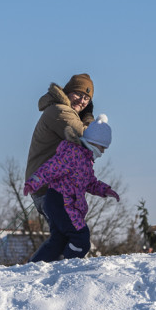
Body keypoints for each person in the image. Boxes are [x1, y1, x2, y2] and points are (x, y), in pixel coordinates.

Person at [24, 115, 120, 262]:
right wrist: (33, 182)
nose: (104, 151)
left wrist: (105, 190)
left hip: (61, 203)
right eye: (103, 147)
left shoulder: (85, 160)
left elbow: (90, 182)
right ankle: (68, 264)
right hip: (61, 202)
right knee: (81, 236)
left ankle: (35, 266)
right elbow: (51, 168)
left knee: (59, 240)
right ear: (94, 142)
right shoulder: (73, 154)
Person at [25, 74, 96, 221]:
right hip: (49, 190)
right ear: (68, 91)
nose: (82, 101)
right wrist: (89, 117)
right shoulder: (60, 111)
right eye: (78, 94)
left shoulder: (67, 112)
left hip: (52, 189)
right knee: (73, 236)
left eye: (86, 98)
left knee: (66, 237)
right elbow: (89, 137)